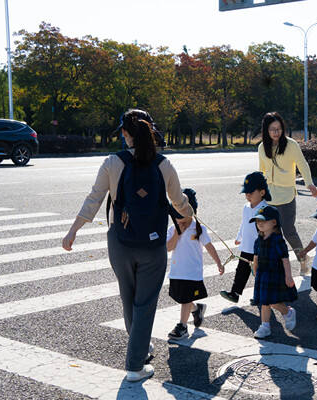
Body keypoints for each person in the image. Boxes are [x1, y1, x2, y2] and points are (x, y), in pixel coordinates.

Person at [62, 109, 193, 382]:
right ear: (151, 132)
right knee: (145, 303)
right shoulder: (164, 164)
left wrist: (73, 230)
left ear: (125, 133)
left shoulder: (112, 162)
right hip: (152, 245)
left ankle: (141, 348)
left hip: (120, 243)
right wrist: (188, 213)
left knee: (128, 297)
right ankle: (135, 365)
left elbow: (94, 199)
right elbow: (179, 201)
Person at [258, 112, 317, 275]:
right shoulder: (261, 147)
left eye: (278, 129)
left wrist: (309, 184)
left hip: (286, 196)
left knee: (289, 231)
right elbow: (261, 171)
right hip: (269, 196)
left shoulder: (291, 145)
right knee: (265, 231)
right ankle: (271, 266)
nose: (276, 132)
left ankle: (303, 259)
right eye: (272, 129)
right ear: (266, 130)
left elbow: (303, 165)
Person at [167, 188, 224, 340]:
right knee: (182, 299)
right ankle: (197, 309)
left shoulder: (198, 228)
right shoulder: (172, 229)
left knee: (185, 299)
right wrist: (177, 234)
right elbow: (168, 248)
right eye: (176, 216)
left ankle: (182, 326)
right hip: (177, 271)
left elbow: (209, 247)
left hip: (192, 273)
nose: (179, 219)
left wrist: (218, 262)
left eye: (181, 216)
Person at [220, 171, 270, 304]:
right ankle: (235, 293)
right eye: (246, 193)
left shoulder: (265, 209)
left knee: (259, 272)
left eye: (251, 193)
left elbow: (269, 231)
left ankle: (261, 296)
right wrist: (239, 237)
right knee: (241, 270)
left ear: (262, 192)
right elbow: (243, 224)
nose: (247, 196)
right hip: (247, 245)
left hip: (260, 248)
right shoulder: (246, 207)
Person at [250, 206, 298, 338]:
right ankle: (265, 326)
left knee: (273, 301)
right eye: (257, 221)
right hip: (262, 275)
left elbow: (285, 259)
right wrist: (255, 271)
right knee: (264, 302)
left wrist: (288, 276)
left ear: (274, 222)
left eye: (263, 221)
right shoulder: (258, 240)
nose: (259, 223)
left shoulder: (278, 240)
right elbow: (256, 258)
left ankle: (287, 312)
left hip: (275, 274)